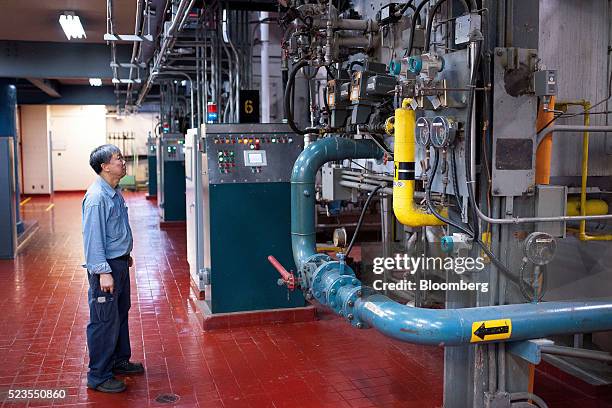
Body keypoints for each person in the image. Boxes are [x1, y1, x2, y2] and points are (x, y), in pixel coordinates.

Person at [82, 144, 144, 393]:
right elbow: (93, 238)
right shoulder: (97, 198)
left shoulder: (113, 191)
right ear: (105, 166)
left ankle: (119, 360)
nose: (123, 161)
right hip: (106, 269)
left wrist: (124, 255)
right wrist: (103, 271)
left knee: (119, 313)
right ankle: (98, 375)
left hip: (118, 262)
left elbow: (114, 231)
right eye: (118, 158)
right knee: (103, 320)